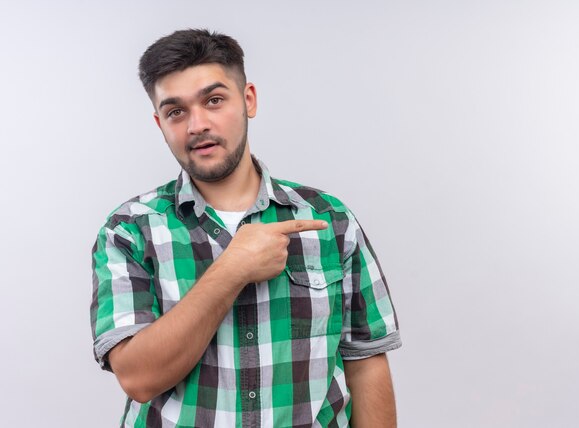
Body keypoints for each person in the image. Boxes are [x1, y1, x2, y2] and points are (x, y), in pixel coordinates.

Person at [91, 29, 401, 428]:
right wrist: (232, 268)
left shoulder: (330, 220)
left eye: (214, 100)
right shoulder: (129, 231)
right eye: (176, 112)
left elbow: (366, 361)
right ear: (160, 123)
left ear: (248, 99)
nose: (196, 125)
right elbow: (138, 377)